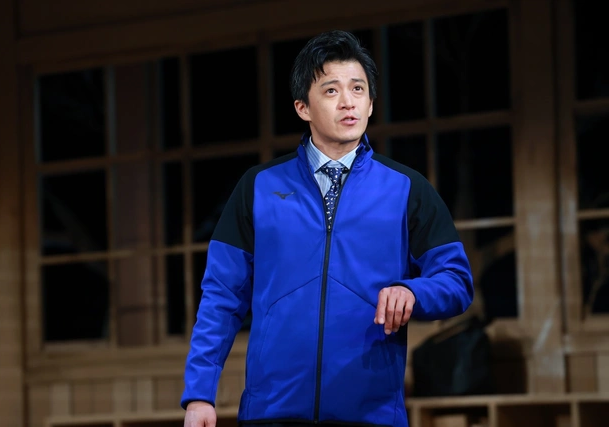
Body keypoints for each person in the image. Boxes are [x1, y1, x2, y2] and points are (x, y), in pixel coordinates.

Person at [181, 29, 474, 427]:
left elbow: (456, 280)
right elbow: (221, 295)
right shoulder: (259, 186)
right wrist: (200, 393)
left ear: (371, 104)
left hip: (372, 414)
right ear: (303, 107)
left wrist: (413, 292)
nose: (348, 101)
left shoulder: (407, 188)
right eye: (332, 90)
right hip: (272, 413)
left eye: (358, 89)